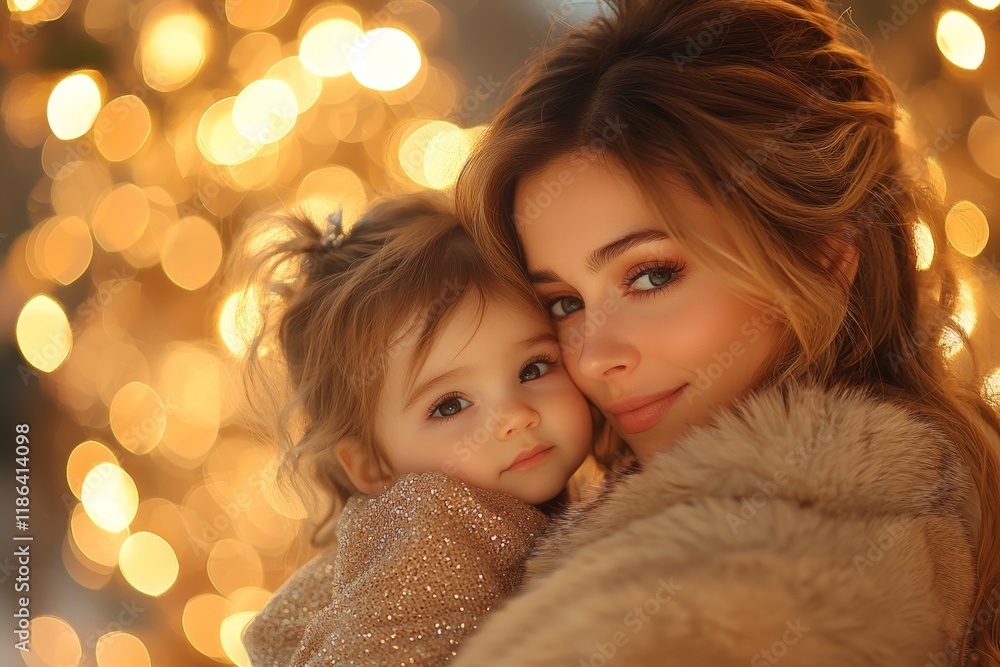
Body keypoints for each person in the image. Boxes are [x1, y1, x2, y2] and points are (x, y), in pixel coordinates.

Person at [451, 0, 1000, 665]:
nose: (594, 358)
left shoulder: (778, 571)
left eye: (650, 275)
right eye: (564, 302)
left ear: (824, 252)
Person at [230, 192, 595, 665]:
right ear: (371, 465)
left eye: (532, 369)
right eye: (450, 406)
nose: (515, 417)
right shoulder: (428, 535)